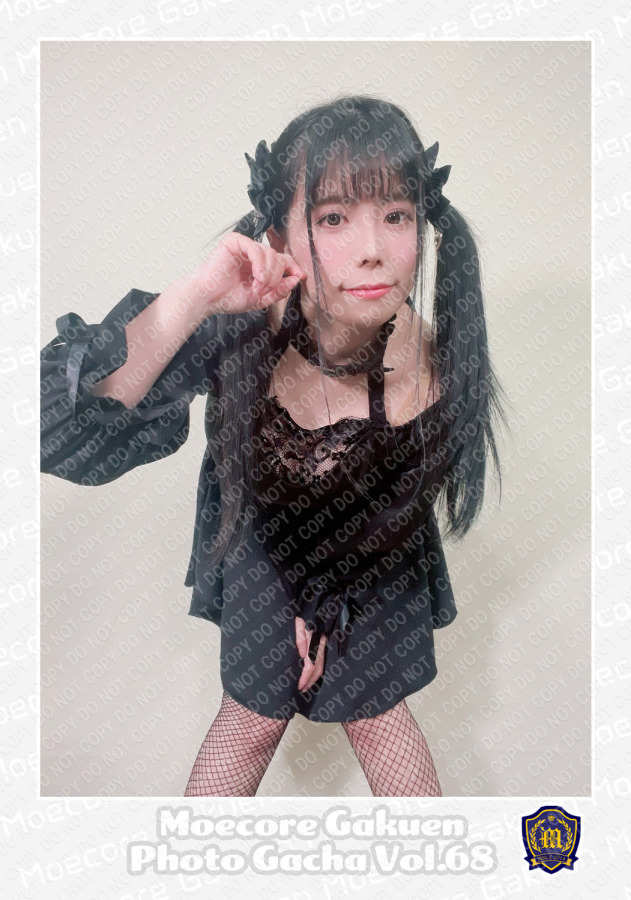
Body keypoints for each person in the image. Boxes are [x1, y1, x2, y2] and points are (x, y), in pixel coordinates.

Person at [40, 94, 508, 797]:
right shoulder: (241, 321)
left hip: (373, 559)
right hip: (258, 539)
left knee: (378, 715)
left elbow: (393, 515)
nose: (373, 248)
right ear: (279, 234)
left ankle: (430, 858)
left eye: (396, 215)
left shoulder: (432, 360)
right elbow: (58, 428)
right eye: (332, 218)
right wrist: (197, 295)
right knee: (253, 715)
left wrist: (327, 608)